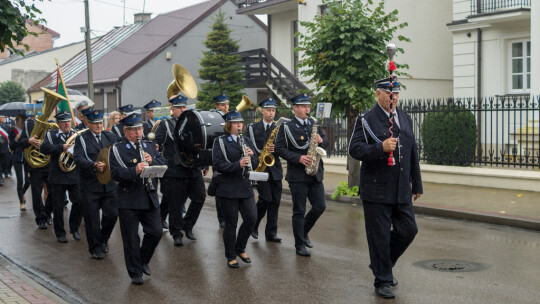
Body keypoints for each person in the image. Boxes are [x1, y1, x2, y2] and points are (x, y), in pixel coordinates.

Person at [348, 77, 422, 299]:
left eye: (397, 94)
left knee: (409, 229)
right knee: (379, 236)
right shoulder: (366, 120)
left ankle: (382, 265)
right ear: (378, 94)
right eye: (389, 93)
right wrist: (380, 147)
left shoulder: (405, 118)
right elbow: (355, 149)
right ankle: (382, 280)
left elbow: (412, 153)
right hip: (376, 189)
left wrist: (417, 183)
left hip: (401, 188)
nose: (394, 98)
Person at [109, 112, 166, 285]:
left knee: (156, 231)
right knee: (131, 238)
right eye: (134, 130)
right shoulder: (117, 149)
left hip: (149, 196)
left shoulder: (149, 146)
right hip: (129, 199)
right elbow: (115, 173)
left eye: (140, 129)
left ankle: (142, 260)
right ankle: (135, 272)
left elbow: (164, 163)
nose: (138, 133)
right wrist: (134, 170)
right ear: (125, 131)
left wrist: (153, 159)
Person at [275, 93, 328, 257]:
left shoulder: (314, 124)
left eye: (308, 106)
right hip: (297, 175)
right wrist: (298, 158)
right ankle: (299, 245)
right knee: (299, 210)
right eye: (304, 106)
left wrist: (321, 140)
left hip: (315, 173)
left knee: (320, 206)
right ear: (295, 108)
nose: (307, 109)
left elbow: (325, 143)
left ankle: (303, 232)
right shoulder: (286, 127)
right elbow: (279, 149)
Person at [154, 95, 207, 246]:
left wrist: (203, 164)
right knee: (175, 203)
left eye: (184, 107)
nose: (182, 110)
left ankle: (188, 225)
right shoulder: (165, 125)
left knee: (200, 197)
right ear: (172, 108)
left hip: (192, 167)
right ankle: (176, 232)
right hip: (175, 170)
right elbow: (156, 145)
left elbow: (202, 144)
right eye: (179, 107)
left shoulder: (193, 123)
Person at [212, 109, 258, 268]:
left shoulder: (246, 140)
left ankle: (240, 247)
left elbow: (257, 164)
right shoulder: (220, 142)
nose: (240, 126)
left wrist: (252, 157)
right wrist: (237, 164)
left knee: (252, 218)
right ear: (229, 125)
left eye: (241, 123)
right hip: (228, 188)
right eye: (236, 123)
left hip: (244, 186)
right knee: (231, 224)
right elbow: (218, 165)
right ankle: (231, 255)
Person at [74, 109, 119, 259]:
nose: (99, 126)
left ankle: (103, 240)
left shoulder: (110, 136)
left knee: (112, 214)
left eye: (100, 123)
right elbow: (78, 158)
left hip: (109, 184)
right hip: (90, 185)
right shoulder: (81, 138)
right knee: (92, 219)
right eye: (95, 123)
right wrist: (93, 165)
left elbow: (118, 154)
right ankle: (95, 248)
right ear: (88, 123)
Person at [40, 111, 83, 243]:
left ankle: (74, 228)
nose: (66, 124)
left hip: (73, 174)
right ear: (58, 123)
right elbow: (44, 148)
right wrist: (61, 147)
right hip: (58, 176)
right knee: (57, 206)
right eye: (64, 122)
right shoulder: (51, 134)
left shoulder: (76, 135)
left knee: (79, 202)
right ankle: (60, 233)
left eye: (68, 121)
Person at [247, 98, 283, 242]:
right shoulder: (252, 128)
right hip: (260, 168)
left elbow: (285, 148)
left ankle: (271, 234)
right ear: (262, 111)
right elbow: (247, 144)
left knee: (275, 202)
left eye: (273, 110)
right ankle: (254, 224)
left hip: (275, 169)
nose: (271, 113)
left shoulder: (280, 129)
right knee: (265, 199)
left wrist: (277, 149)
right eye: (268, 110)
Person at [19, 112, 53, 229]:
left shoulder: (51, 124)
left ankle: (47, 213)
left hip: (48, 164)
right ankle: (41, 218)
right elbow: (21, 141)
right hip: (34, 166)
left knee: (53, 191)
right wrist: (29, 141)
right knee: (36, 193)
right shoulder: (29, 124)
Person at [210, 93, 230, 228]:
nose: (226, 107)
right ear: (217, 106)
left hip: (231, 155)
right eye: (223, 105)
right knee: (220, 187)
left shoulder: (230, 118)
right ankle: (221, 217)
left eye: (227, 104)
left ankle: (228, 215)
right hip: (218, 155)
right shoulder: (214, 117)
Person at [9, 114, 31, 210]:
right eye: (19, 121)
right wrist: (15, 139)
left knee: (28, 180)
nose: (21, 123)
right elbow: (11, 147)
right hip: (17, 158)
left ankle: (22, 193)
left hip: (27, 157)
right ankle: (21, 203)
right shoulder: (12, 131)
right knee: (20, 181)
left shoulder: (27, 130)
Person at [0, 116, 10, 185]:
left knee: (5, 162)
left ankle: (5, 170)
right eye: (3, 117)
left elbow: (9, 137)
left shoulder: (6, 127)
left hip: (4, 148)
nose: (4, 118)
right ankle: (0, 177)